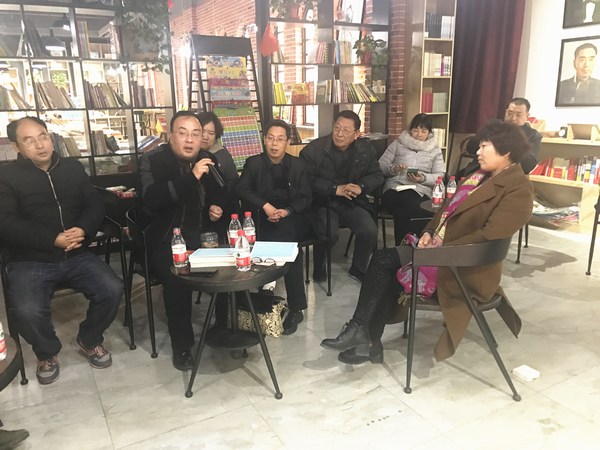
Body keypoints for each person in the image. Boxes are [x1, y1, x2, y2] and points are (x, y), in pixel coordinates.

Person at [321, 122, 533, 365]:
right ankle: (361, 332)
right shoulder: (478, 177)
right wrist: (429, 232)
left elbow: (488, 237)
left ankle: (366, 339)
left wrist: (439, 250)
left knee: (387, 271)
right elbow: (445, 211)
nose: (478, 151)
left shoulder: (518, 189)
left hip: (465, 268)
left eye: (485, 146)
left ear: (506, 151)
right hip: (440, 252)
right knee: (383, 260)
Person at [0, 117, 122, 385]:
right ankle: (47, 352)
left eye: (43, 136)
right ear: (16, 147)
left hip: (76, 253)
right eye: (29, 140)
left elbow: (94, 203)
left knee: (112, 288)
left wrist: (83, 229)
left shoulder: (72, 168)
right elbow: (6, 222)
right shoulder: (6, 177)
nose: (39, 144)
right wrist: (51, 239)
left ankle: (89, 338)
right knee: (27, 310)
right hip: (30, 259)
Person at [139, 111, 228, 370]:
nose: (190, 140)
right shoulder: (152, 160)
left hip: (202, 234)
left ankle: (223, 328)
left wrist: (217, 206)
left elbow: (221, 191)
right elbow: (152, 200)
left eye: (195, 134)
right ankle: (183, 346)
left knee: (229, 269)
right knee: (178, 281)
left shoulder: (207, 159)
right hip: (166, 238)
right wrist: (191, 176)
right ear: (170, 135)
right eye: (183, 133)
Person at [237, 120, 313, 335]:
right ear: (264, 140)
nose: (274, 144)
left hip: (290, 216)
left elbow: (306, 198)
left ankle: (294, 307)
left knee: (289, 244)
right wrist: (265, 206)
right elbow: (242, 190)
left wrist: (286, 211)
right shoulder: (254, 163)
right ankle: (259, 297)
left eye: (280, 139)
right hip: (260, 216)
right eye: (270, 138)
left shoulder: (298, 166)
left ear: (287, 142)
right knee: (263, 239)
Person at [300, 110, 384, 283]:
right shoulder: (314, 149)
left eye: (346, 130)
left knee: (369, 230)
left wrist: (361, 187)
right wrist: (334, 189)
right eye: (337, 128)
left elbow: (377, 175)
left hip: (351, 201)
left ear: (356, 134)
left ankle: (358, 268)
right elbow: (304, 179)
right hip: (322, 202)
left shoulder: (366, 150)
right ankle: (319, 267)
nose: (339, 134)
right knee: (328, 234)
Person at [378, 113, 446, 246]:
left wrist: (422, 178)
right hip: (395, 187)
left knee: (411, 205)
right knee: (408, 205)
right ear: (410, 130)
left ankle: (403, 246)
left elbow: (440, 175)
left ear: (429, 133)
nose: (419, 134)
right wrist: (394, 169)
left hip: (420, 190)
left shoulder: (435, 150)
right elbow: (381, 165)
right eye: (416, 130)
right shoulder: (398, 144)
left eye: (423, 131)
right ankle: (410, 246)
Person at [461, 97, 542, 176]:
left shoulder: (533, 135)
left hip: (509, 176)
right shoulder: (494, 126)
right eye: (509, 113)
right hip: (479, 171)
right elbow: (470, 147)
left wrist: (510, 141)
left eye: (518, 115)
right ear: (505, 112)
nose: (513, 118)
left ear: (527, 116)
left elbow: (529, 165)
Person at [197, 111, 240, 242]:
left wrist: (219, 205)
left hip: (218, 211)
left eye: (211, 133)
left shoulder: (221, 154)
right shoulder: (188, 155)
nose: (205, 137)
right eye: (202, 131)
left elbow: (232, 183)